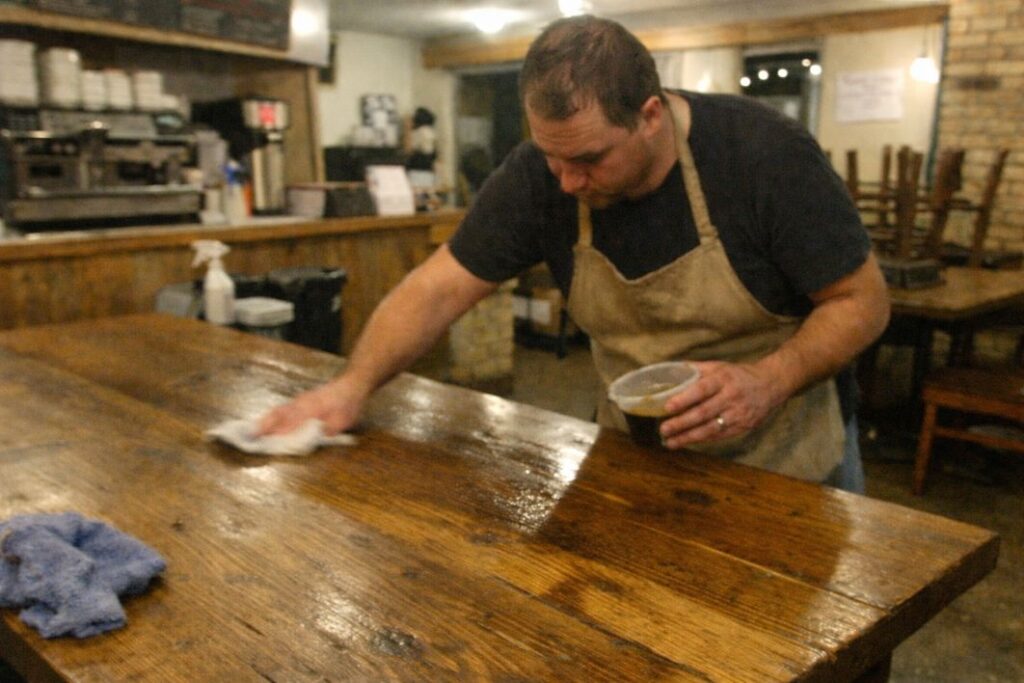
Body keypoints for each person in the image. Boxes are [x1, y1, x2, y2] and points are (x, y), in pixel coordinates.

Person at [260, 15, 890, 493]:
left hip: (787, 463)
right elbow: (439, 287)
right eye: (550, 156)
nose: (565, 181)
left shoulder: (763, 156)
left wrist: (767, 381)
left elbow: (862, 302)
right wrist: (351, 387)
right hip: (634, 455)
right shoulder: (542, 172)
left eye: (588, 159)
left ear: (650, 116)